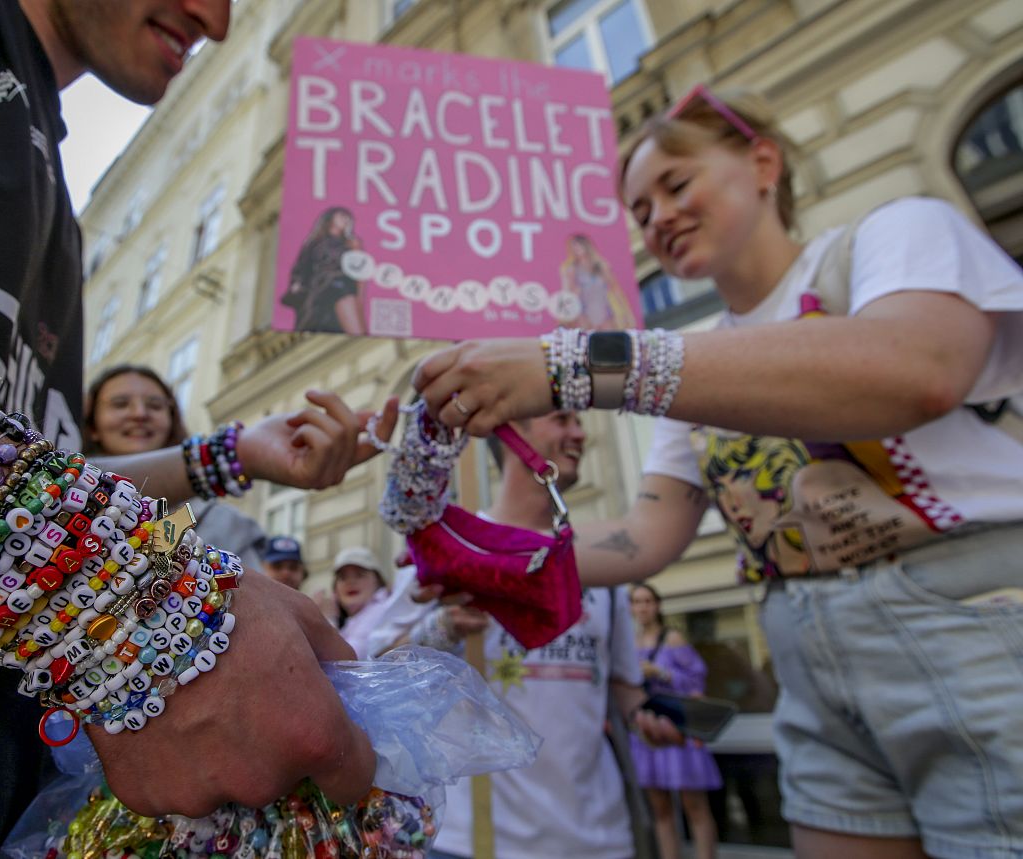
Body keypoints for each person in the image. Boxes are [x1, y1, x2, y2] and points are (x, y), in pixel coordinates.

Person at [0, 1, 397, 855]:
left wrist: (230, 455)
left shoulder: (61, 206)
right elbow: (25, 513)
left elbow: (35, 472)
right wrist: (119, 601)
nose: (218, 20)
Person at [410, 86, 1023, 859]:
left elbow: (918, 368)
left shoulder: (889, 238)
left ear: (762, 162)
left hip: (975, 626)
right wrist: (480, 558)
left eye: (676, 184)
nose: (657, 218)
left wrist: (573, 364)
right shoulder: (697, 371)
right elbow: (644, 537)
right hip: (806, 655)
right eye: (639, 211)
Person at [368, 410, 680, 859]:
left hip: (600, 841)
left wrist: (650, 720)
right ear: (514, 436)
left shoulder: (597, 562)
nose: (580, 432)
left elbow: (624, 691)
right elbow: (372, 671)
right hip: (477, 841)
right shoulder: (452, 548)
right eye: (562, 419)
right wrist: (440, 630)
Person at [84, 363, 267, 571]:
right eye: (120, 404)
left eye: (155, 406)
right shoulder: (60, 498)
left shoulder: (224, 521)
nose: (140, 413)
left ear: (171, 420)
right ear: (92, 426)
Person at [628, 583, 721, 859]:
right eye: (636, 602)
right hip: (646, 729)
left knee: (694, 806)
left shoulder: (673, 639)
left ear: (657, 605)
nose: (642, 607)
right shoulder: (629, 643)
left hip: (677, 730)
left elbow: (696, 682)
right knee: (661, 810)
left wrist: (662, 673)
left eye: (647, 601)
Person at [282, 205, 367, 334]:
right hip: (321, 286)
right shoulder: (314, 242)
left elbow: (360, 272)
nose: (346, 220)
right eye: (342, 216)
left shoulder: (351, 243)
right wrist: (296, 284)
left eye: (348, 218)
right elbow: (301, 268)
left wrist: (356, 249)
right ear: (330, 218)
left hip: (344, 285)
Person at [559, 233, 638, 330]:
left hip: (604, 313)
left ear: (586, 245)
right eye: (574, 246)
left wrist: (625, 313)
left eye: (579, 244)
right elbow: (567, 295)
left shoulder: (601, 266)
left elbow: (615, 289)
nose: (577, 248)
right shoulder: (571, 270)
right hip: (585, 316)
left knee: (611, 341)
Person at [323, 545, 390, 659]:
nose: (350, 582)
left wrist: (327, 619)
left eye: (360, 575)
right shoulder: (355, 619)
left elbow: (346, 659)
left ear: (378, 581)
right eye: (343, 577)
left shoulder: (380, 609)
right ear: (335, 590)